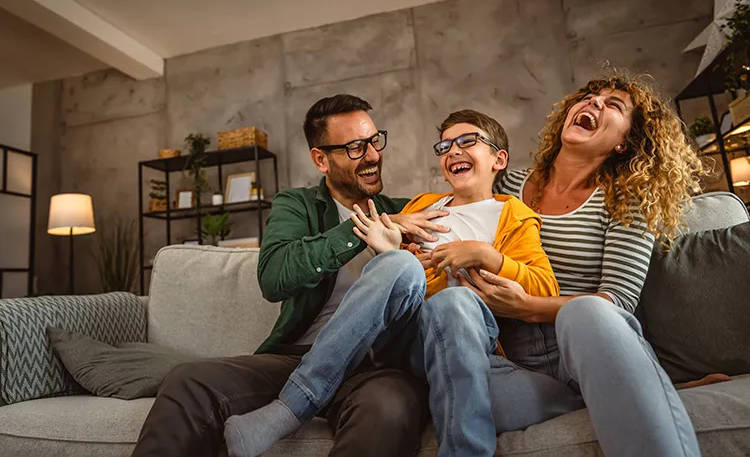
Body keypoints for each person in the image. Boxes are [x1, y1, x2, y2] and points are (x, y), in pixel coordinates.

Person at [224, 109, 561, 457]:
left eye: (468, 142)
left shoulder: (512, 213)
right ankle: (292, 406)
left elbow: (542, 289)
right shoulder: (422, 206)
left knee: (454, 303)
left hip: (466, 341)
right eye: (444, 146)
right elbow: (397, 277)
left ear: (498, 159)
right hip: (406, 339)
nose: (453, 151)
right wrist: (394, 252)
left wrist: (482, 254)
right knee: (400, 264)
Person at [131, 94, 449, 457]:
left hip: (375, 368)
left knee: (390, 408)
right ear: (321, 159)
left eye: (375, 141)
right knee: (188, 381)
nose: (374, 155)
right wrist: (364, 230)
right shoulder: (296, 205)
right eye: (356, 147)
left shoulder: (411, 211)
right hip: (296, 358)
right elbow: (274, 277)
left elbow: (477, 209)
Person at [413, 72, 713, 457]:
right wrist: (396, 222)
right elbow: (443, 205)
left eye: (613, 105)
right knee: (465, 392)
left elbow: (617, 302)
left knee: (585, 310)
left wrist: (528, 306)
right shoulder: (505, 186)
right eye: (589, 97)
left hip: (583, 345)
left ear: (625, 141)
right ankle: (635, 391)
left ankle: (622, 387)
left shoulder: (626, 201)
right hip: (513, 363)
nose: (594, 103)